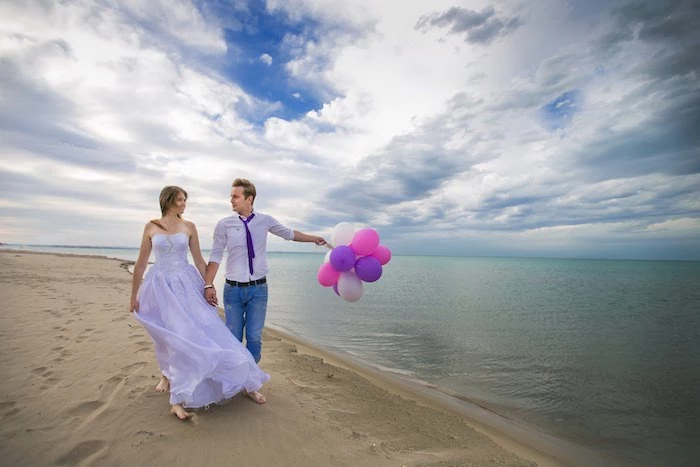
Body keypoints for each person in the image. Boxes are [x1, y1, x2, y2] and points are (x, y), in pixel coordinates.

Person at [129, 186, 270, 420]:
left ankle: (238, 379)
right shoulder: (152, 227)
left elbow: (198, 260)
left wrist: (208, 285)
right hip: (161, 286)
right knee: (171, 335)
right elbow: (141, 264)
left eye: (185, 200)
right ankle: (173, 386)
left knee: (201, 332)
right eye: (181, 200)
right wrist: (133, 295)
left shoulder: (189, 227)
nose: (184, 204)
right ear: (169, 201)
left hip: (186, 284)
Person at [203, 178, 326, 363]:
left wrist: (314, 238)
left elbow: (290, 234)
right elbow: (215, 256)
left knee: (254, 337)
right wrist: (208, 284)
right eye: (231, 196)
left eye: (235, 197)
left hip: (258, 290)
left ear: (249, 199)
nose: (231, 200)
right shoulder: (223, 225)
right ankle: (236, 376)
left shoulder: (265, 221)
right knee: (232, 337)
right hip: (233, 290)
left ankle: (250, 381)